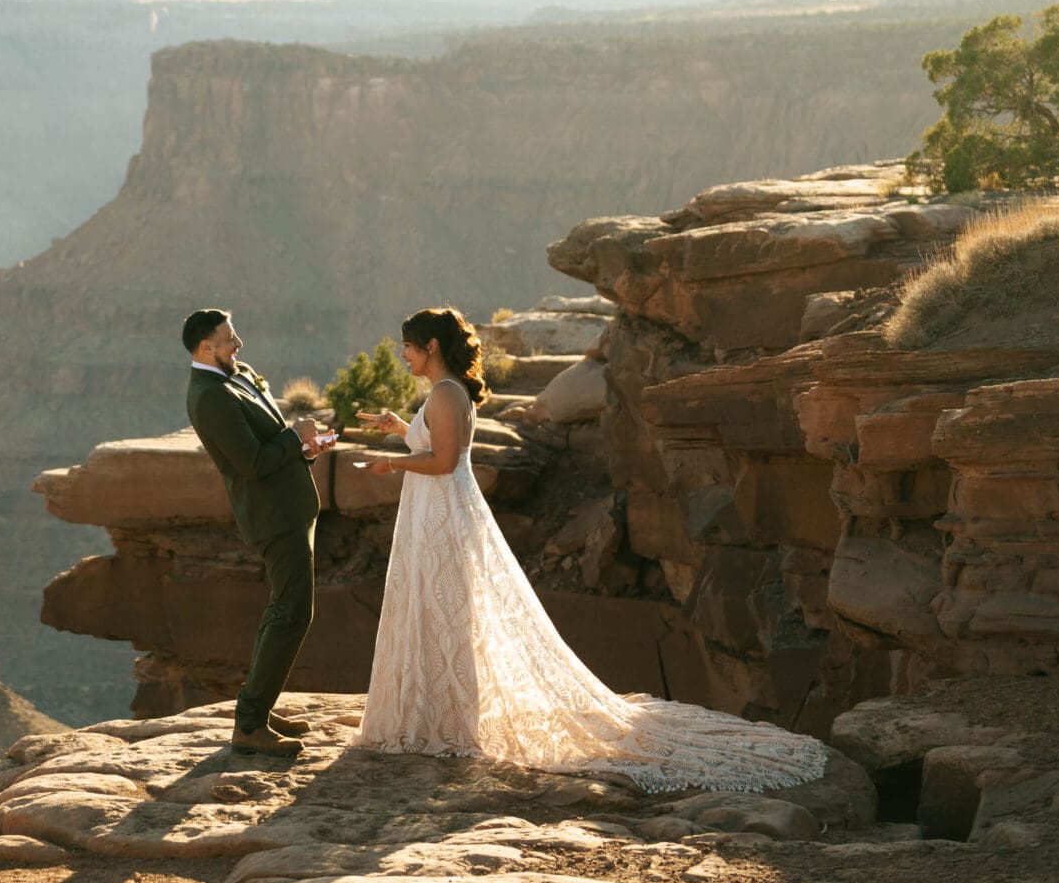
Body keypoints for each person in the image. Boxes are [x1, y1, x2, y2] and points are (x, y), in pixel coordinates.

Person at [346, 305, 828, 791]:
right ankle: (438, 717)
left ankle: (449, 722)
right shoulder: (444, 394)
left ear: (432, 347)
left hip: (443, 517)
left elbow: (446, 461)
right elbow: (435, 444)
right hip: (436, 515)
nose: (403, 354)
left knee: (449, 611)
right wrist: (400, 428)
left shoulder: (447, 395)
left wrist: (393, 466)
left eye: (409, 346)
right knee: (440, 610)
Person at [181, 307, 333, 756]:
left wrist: (305, 444)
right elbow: (249, 463)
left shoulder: (237, 373)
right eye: (230, 337)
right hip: (273, 517)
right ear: (206, 346)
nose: (239, 343)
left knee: (282, 610)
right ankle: (249, 724)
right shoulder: (208, 396)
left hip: (293, 507)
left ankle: (257, 709)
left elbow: (270, 440)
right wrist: (294, 436)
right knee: (293, 614)